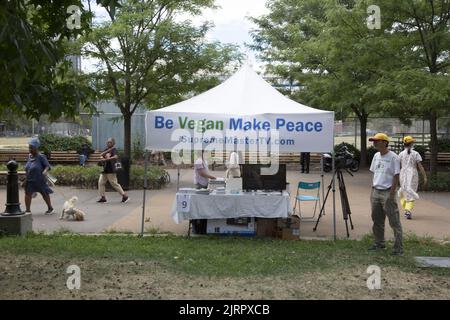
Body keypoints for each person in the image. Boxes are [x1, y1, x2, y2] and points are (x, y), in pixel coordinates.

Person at [368, 133, 403, 256]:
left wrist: (392, 194)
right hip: (376, 191)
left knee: (394, 221)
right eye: (374, 141)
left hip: (388, 192)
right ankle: (379, 243)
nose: (374, 143)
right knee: (377, 220)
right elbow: (374, 173)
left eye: (377, 141)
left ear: (384, 142)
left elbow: (396, 176)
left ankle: (398, 248)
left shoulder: (394, 157)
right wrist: (372, 190)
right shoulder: (376, 155)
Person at [398, 136, 428, 220]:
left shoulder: (400, 154)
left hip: (403, 174)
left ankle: (406, 209)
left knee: (404, 191)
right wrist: (425, 177)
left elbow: (398, 166)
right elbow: (420, 166)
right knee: (411, 192)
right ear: (411, 144)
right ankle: (408, 210)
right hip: (413, 174)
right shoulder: (415, 153)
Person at [22, 137, 54, 214]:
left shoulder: (41, 157)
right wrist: (25, 180)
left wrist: (45, 171)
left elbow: (48, 166)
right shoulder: (29, 157)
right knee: (27, 194)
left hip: (40, 179)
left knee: (44, 193)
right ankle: (27, 210)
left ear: (36, 148)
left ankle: (50, 208)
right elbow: (28, 169)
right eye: (29, 147)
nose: (30, 149)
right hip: (30, 180)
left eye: (31, 148)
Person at [97, 138, 129, 203]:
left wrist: (106, 159)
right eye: (108, 142)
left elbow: (116, 157)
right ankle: (103, 197)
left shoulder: (114, 150)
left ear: (113, 143)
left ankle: (124, 196)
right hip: (105, 170)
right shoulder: (106, 150)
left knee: (114, 184)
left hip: (111, 170)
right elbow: (101, 155)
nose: (108, 143)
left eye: (110, 142)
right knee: (101, 183)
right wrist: (102, 157)